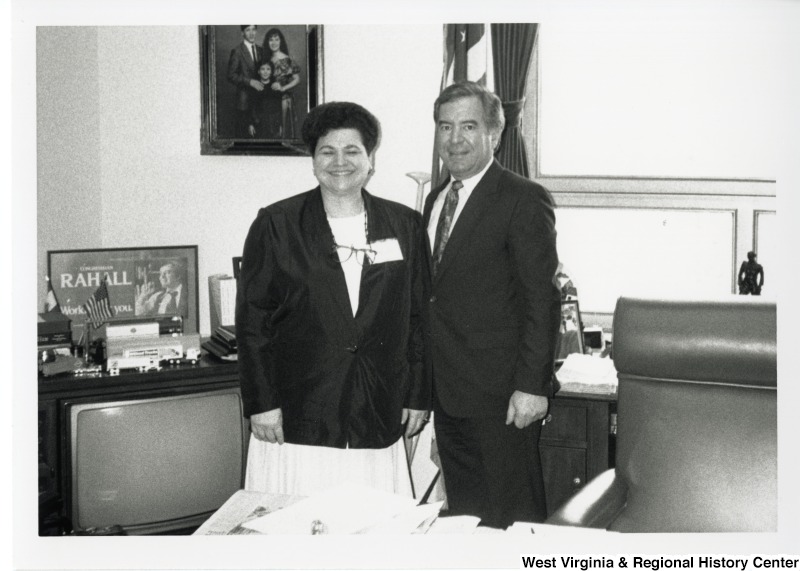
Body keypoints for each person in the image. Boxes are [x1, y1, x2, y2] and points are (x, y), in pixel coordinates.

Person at [236, 101, 430, 497]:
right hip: (297, 414)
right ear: (312, 160)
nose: (339, 162)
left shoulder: (405, 225)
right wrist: (262, 403)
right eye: (327, 151)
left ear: (370, 159)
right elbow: (253, 322)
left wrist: (417, 394)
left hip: (376, 408)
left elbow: (419, 318)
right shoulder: (276, 224)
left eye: (352, 150)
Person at [423, 81, 561, 528]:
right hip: (449, 392)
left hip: (503, 396)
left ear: (494, 135)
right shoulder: (436, 200)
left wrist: (533, 386)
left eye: (468, 126)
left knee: (511, 518)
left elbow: (542, 298)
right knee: (464, 518)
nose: (455, 139)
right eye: (446, 126)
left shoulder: (523, 198)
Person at [262, 27, 301, 138]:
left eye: (276, 39)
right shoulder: (266, 58)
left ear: (281, 41)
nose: (274, 42)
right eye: (271, 40)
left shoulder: (286, 59)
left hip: (283, 100)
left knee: (283, 133)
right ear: (267, 42)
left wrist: (283, 88)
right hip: (269, 100)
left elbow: (297, 79)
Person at [227, 25, 264, 138]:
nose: (251, 33)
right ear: (242, 33)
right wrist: (250, 82)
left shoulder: (260, 50)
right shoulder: (237, 51)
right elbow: (230, 75)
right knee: (244, 139)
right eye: (248, 30)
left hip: (259, 101)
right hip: (244, 103)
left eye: (253, 29)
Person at [248, 60, 282, 139]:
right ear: (258, 71)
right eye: (262, 69)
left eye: (268, 69)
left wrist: (280, 125)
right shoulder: (254, 87)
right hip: (258, 123)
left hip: (273, 124)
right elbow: (251, 106)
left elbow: (279, 108)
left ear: (271, 72)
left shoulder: (275, 87)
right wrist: (250, 124)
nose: (265, 72)